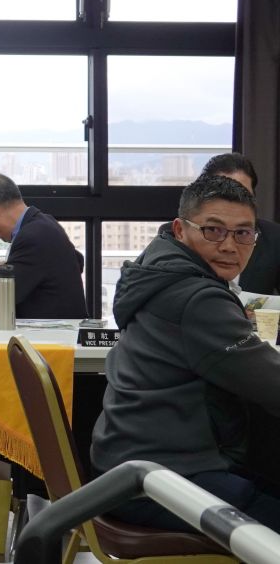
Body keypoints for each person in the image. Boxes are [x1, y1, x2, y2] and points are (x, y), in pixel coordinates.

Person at [90, 175, 280, 531]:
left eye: (243, 233)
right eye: (213, 230)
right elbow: (272, 383)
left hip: (128, 463)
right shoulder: (197, 298)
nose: (229, 246)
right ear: (180, 229)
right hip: (163, 481)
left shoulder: (156, 268)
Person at [0, 172, 86, 319]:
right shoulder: (45, 222)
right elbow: (77, 260)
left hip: (54, 331)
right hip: (62, 326)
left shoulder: (33, 236)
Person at [200, 152, 280, 295]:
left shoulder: (274, 237)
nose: (234, 204)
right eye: (223, 195)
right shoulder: (179, 234)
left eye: (243, 195)